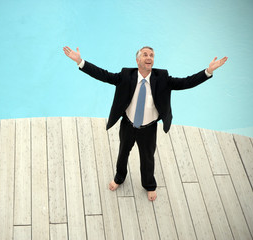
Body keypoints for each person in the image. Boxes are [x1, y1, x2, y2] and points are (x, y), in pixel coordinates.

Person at [63, 45, 227, 201]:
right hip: (128, 124)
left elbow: (185, 82)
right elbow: (104, 75)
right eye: (145, 54)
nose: (149, 57)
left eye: (152, 55)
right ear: (137, 60)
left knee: (147, 158)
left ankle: (149, 184)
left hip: (149, 128)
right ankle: (119, 178)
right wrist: (80, 62)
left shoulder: (162, 77)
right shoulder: (126, 75)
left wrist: (208, 71)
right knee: (123, 153)